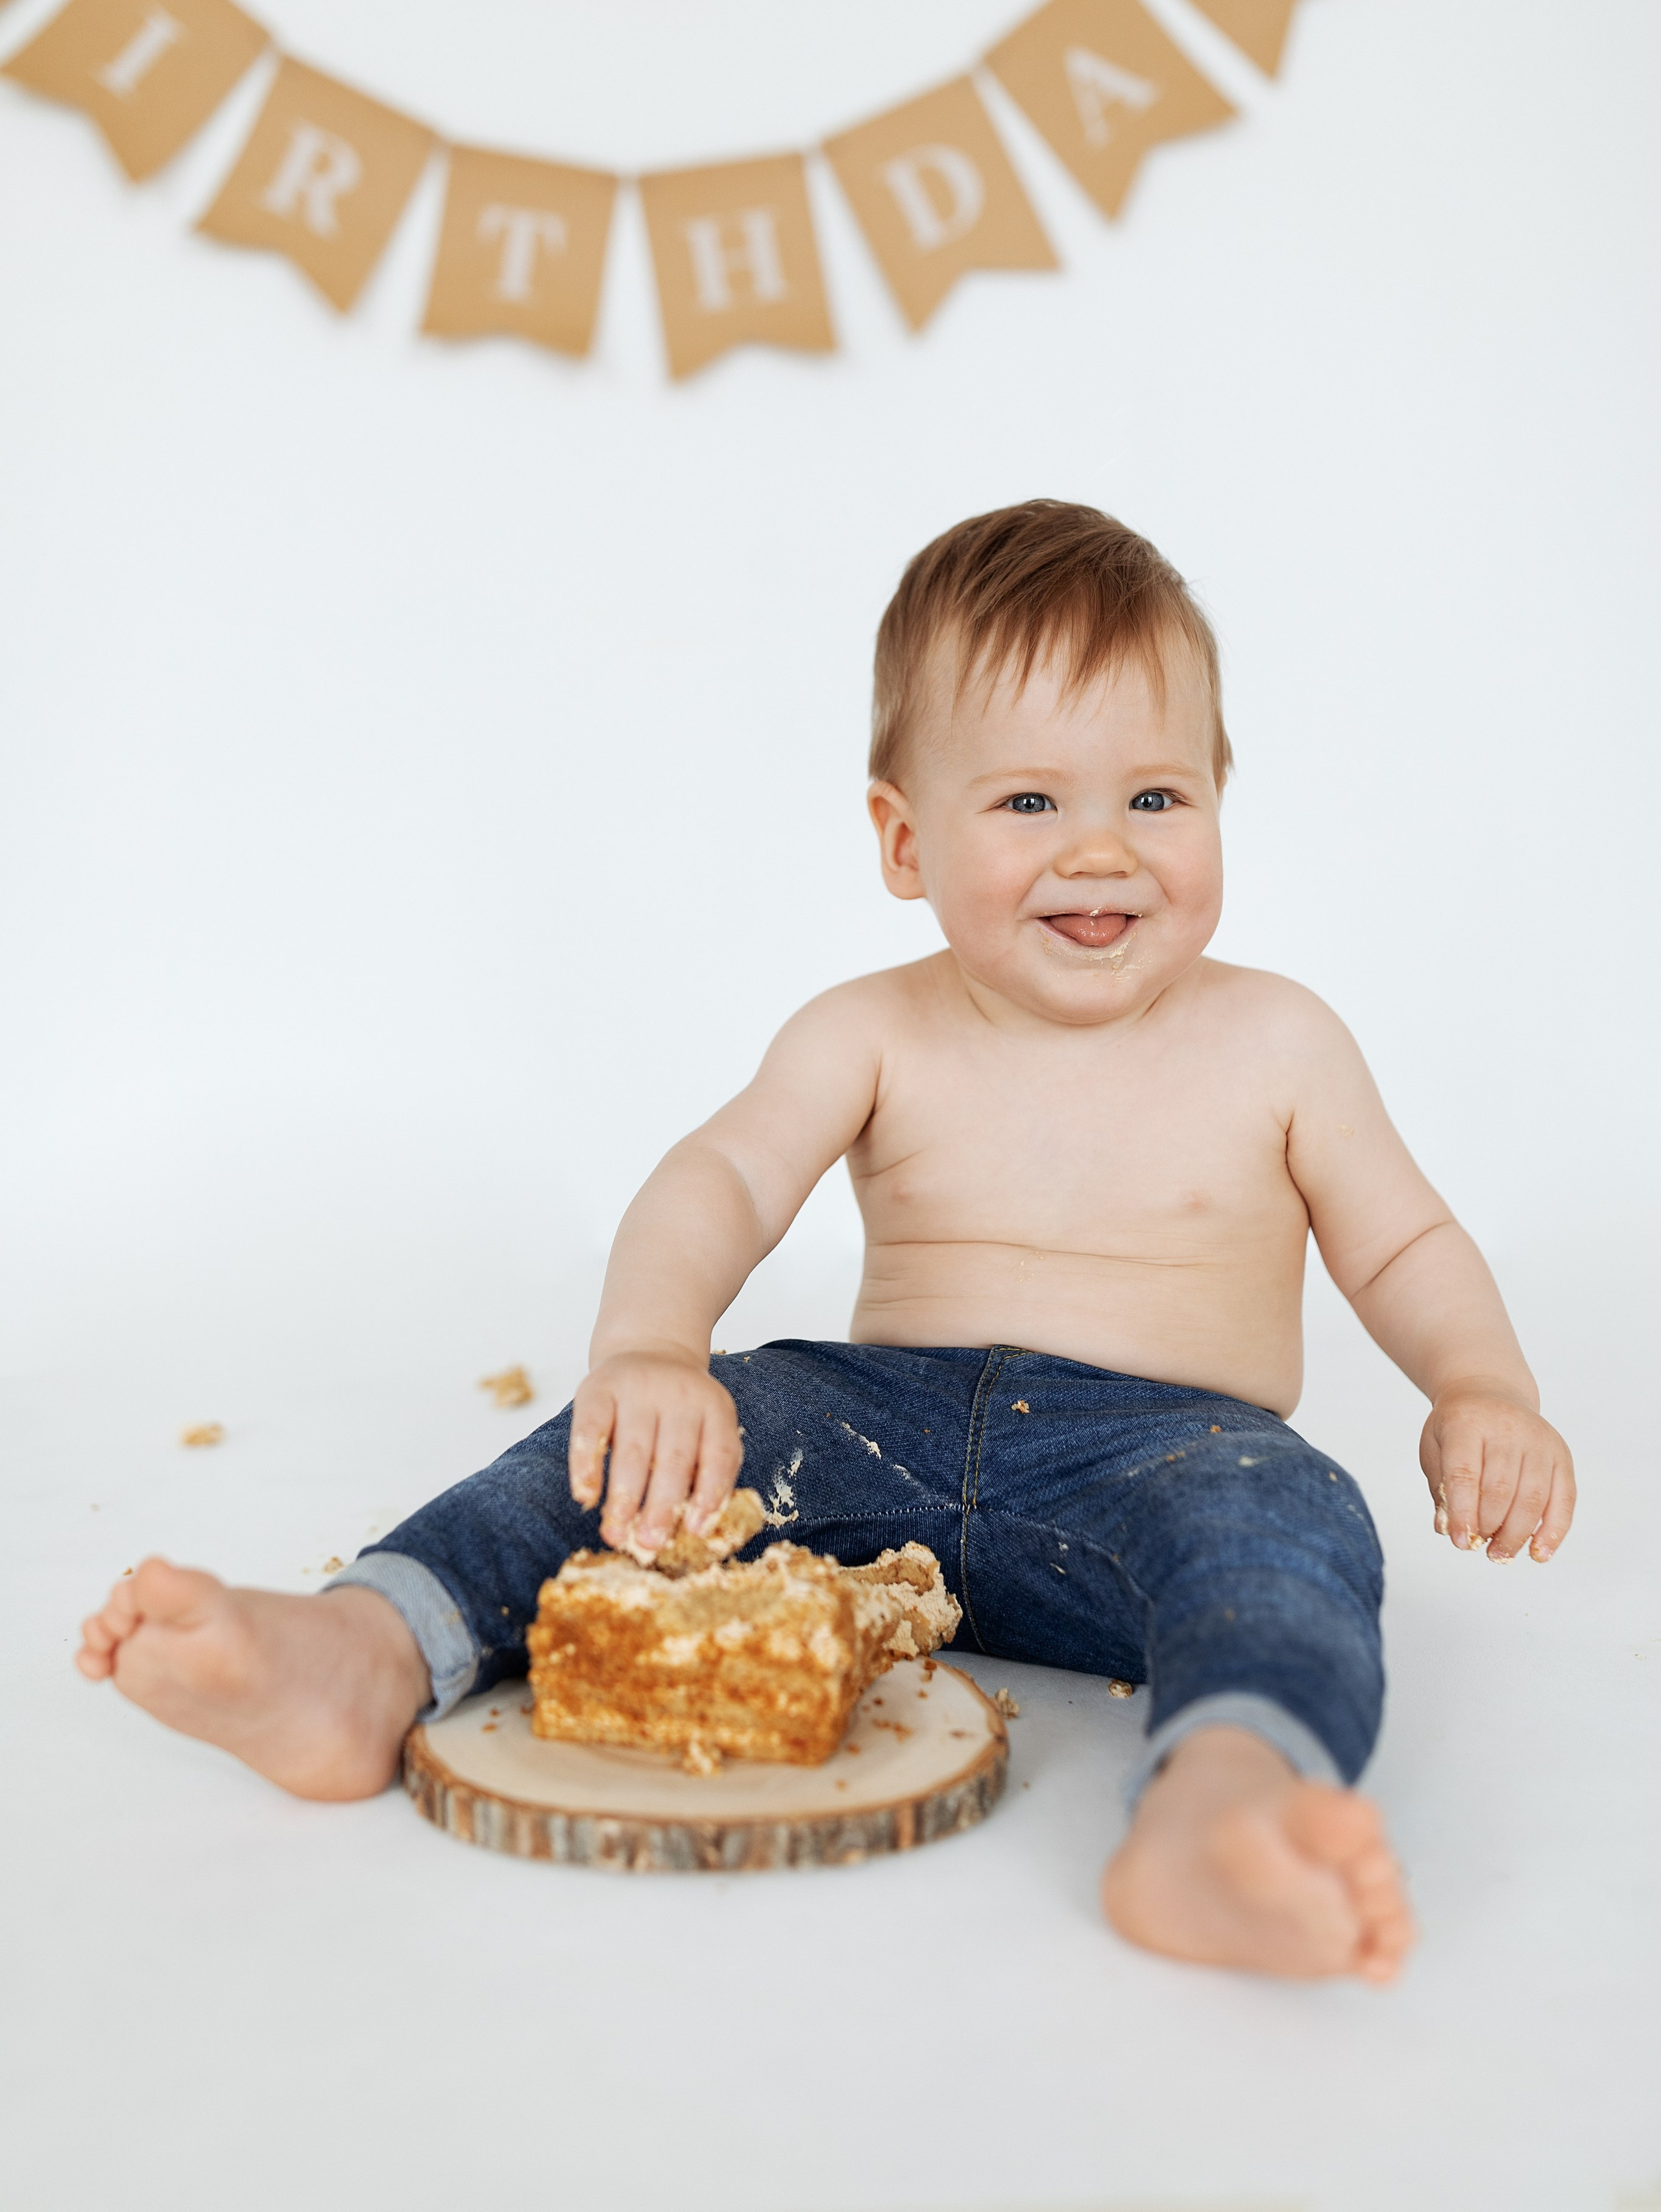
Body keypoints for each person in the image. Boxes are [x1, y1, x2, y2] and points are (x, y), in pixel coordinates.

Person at [75, 500, 1575, 1982]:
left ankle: (1220, 1803)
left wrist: (1479, 1388)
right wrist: (652, 1353)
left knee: (1288, 1524)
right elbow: (717, 1179)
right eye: (1029, 804)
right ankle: (365, 1656)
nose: (1099, 853)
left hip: (1167, 1457)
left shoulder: (1280, 1043)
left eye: (1157, 800)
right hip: (871, 1439)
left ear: (1218, 803)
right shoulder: (869, 1031)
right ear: (903, 838)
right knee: (658, 1441)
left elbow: (1402, 1245)